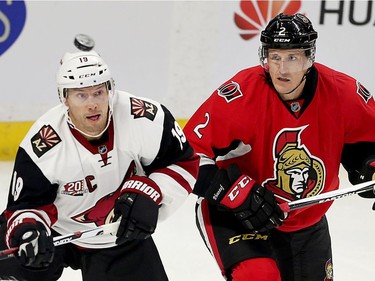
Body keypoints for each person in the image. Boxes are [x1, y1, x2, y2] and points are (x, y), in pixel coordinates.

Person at [183, 13, 375, 281]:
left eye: (292, 58)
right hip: (237, 214)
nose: (282, 69)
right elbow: (184, 155)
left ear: (309, 58)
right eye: (275, 57)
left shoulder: (343, 93)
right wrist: (232, 191)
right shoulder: (240, 95)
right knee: (259, 276)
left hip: (306, 219)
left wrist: (368, 165)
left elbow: (364, 143)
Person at [0, 34, 199, 281]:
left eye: (98, 92)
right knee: (15, 257)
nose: (92, 104)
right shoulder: (42, 146)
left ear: (110, 89)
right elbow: (25, 207)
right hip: (53, 233)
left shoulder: (146, 119)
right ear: (64, 98)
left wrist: (151, 192)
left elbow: (184, 163)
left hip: (116, 233)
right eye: (81, 95)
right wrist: (29, 231)